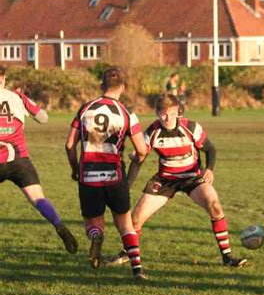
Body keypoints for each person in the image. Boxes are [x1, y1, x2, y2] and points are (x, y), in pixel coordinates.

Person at [107, 94, 248, 268]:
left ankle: (227, 257)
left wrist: (209, 169)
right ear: (157, 113)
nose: (167, 118)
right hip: (166, 179)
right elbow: (139, 159)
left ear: (178, 111)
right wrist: (127, 185)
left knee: (215, 205)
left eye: (171, 114)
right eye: (163, 114)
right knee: (135, 220)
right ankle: (128, 252)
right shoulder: (153, 131)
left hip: (192, 177)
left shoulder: (190, 127)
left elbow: (210, 149)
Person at [65, 67, 148, 278]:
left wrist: (75, 168)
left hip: (88, 175)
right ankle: (137, 269)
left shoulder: (85, 109)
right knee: (125, 224)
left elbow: (69, 145)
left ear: (101, 86)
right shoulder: (127, 113)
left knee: (92, 222)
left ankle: (97, 236)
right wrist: (137, 160)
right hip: (114, 175)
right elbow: (141, 149)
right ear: (123, 87)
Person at [0, 65, 78, 253]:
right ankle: (59, 225)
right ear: (3, 78)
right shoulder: (17, 97)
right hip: (19, 159)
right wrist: (25, 99)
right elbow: (43, 118)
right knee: (37, 198)